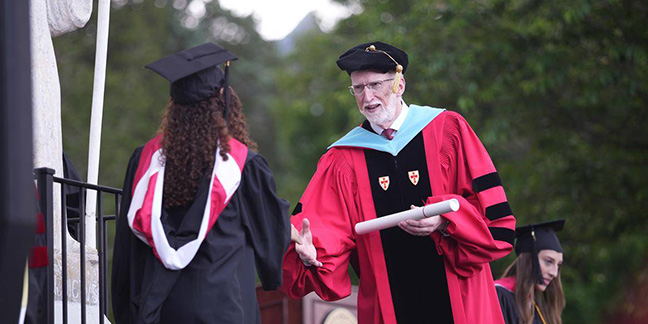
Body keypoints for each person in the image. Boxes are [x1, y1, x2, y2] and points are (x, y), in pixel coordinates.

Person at [281, 41, 516, 324]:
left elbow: (490, 216)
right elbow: (322, 226)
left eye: (375, 85)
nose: (367, 97)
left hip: (460, 296)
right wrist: (309, 252)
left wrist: (445, 221)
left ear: (399, 85)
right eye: (358, 88)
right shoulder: (342, 159)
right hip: (388, 303)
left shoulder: (448, 130)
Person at [111, 43, 290, 324]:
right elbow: (270, 238)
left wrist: (126, 309)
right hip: (226, 308)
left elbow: (126, 247)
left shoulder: (145, 163)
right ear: (223, 100)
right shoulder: (244, 166)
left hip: (162, 308)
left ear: (174, 108)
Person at [495, 220, 566, 324]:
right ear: (529, 259)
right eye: (549, 261)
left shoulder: (537, 305)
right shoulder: (500, 295)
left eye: (558, 265)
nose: (554, 273)